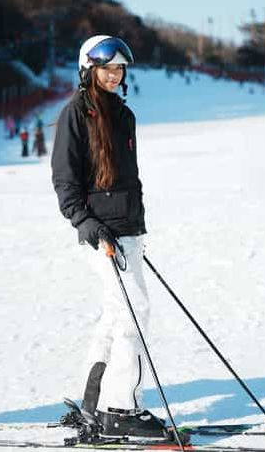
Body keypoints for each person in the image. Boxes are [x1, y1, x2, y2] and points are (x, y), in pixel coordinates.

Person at [51, 35, 167, 440]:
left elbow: (124, 179)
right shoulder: (75, 115)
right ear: (89, 70)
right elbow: (66, 183)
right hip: (102, 235)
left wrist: (133, 226)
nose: (116, 75)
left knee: (117, 315)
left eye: (120, 69)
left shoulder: (123, 115)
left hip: (128, 231)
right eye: (108, 68)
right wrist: (89, 225)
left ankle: (93, 403)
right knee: (136, 312)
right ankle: (122, 407)